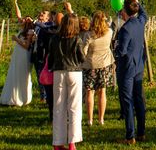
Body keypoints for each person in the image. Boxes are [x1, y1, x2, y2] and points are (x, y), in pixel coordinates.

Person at [48, 10, 85, 150]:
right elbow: (81, 58)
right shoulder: (77, 39)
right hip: (74, 72)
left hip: (58, 71)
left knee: (59, 108)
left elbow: (50, 57)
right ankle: (72, 142)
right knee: (74, 108)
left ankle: (57, 143)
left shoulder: (54, 39)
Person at [115, 0, 148, 144]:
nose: (120, 11)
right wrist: (137, 1)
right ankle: (141, 133)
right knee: (139, 100)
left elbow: (120, 52)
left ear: (125, 12)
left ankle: (130, 136)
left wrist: (114, 48)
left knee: (127, 101)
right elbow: (144, 14)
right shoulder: (140, 22)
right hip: (139, 66)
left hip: (127, 69)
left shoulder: (125, 30)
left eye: (122, 9)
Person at [0, 0, 34, 106]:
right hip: (17, 55)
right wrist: (15, 3)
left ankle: (21, 97)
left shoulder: (29, 31)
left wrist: (16, 39)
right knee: (14, 73)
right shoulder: (22, 29)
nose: (22, 19)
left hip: (23, 55)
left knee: (21, 75)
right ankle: (11, 96)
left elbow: (26, 46)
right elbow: (18, 15)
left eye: (25, 19)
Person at [82, 11, 114, 126]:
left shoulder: (88, 35)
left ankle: (90, 119)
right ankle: (101, 119)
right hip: (105, 64)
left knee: (89, 92)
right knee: (102, 92)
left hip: (90, 66)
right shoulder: (109, 32)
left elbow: (84, 51)